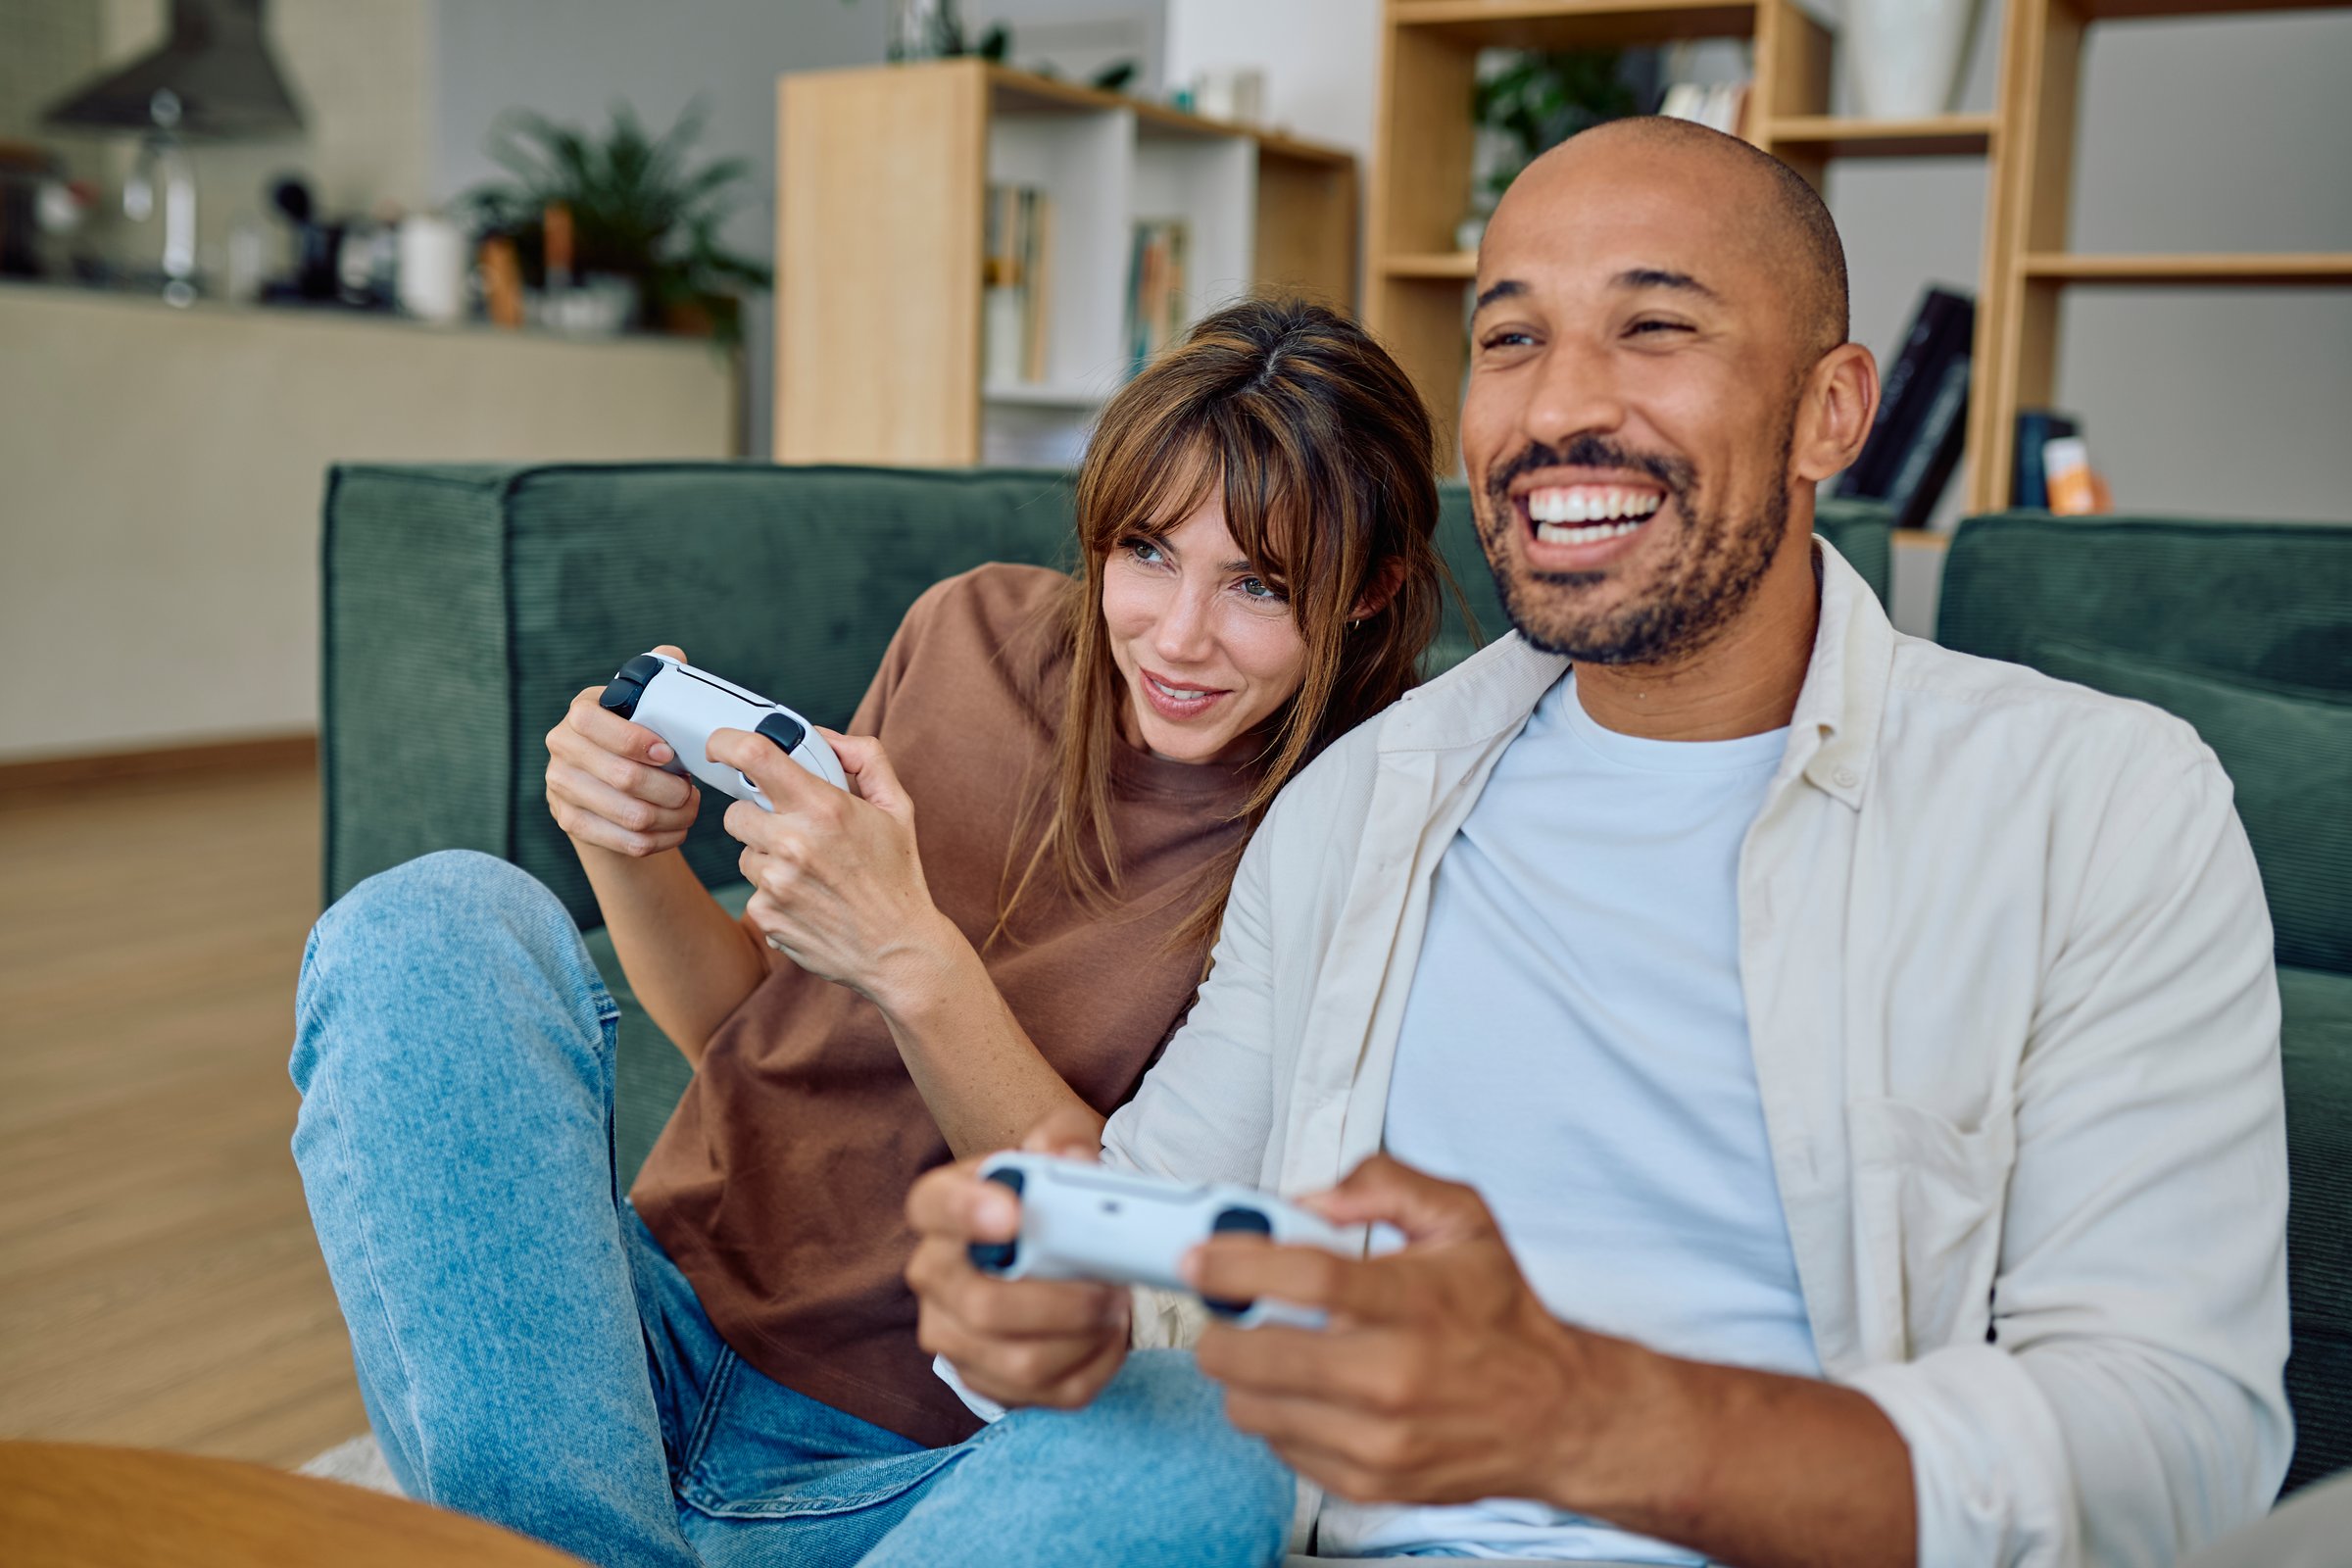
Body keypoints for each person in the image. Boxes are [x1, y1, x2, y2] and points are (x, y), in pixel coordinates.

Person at [906, 117, 2291, 1566]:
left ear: (1832, 409)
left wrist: (1588, 1422)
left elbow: (2176, 1437)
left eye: (1653, 327)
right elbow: (1163, 1240)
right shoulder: (1361, 801)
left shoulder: (2098, 802)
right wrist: (1048, 1307)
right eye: (1510, 342)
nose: (1561, 405)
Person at [289, 297, 1455, 1568]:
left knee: (1197, 1453)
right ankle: (581, 1533)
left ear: (1371, 588)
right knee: (430, 919)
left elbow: (1128, 1237)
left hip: (914, 1470)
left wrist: (912, 952)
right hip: (633, 1351)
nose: (1176, 637)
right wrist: (625, 843)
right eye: (1148, 553)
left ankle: (556, 1550)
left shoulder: (1357, 829)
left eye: (1259, 585)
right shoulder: (971, 633)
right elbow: (757, 1034)